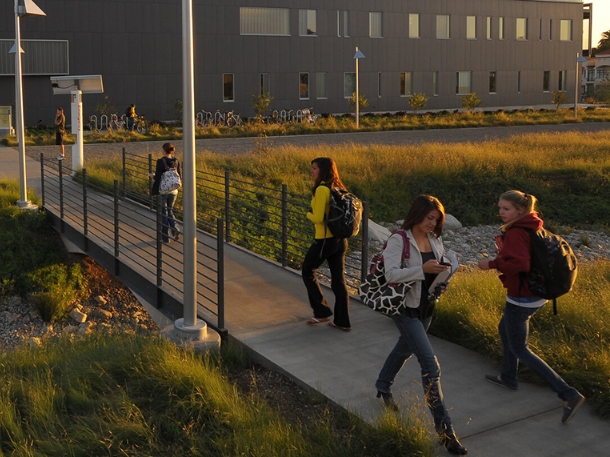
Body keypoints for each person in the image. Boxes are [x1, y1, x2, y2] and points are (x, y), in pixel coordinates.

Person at [478, 190, 585, 424]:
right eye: (500, 207)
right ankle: (508, 377)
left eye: (506, 209)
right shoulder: (533, 226)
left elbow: (519, 264)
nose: (501, 212)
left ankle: (568, 394)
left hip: (521, 297)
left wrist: (491, 263)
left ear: (520, 210)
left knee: (520, 348)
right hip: (536, 295)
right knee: (504, 330)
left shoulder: (517, 232)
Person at [375, 195, 467, 456]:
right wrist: (422, 269)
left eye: (437, 220)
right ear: (417, 215)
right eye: (430, 218)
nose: (433, 224)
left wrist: (443, 277)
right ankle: (446, 433)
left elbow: (435, 269)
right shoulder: (398, 240)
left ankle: (382, 385)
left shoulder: (436, 238)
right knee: (430, 365)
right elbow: (391, 275)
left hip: (427, 305)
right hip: (404, 308)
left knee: (404, 349)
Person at [302, 157, 351, 331]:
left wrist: (307, 214)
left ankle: (321, 311)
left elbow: (318, 218)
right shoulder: (338, 188)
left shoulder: (322, 189)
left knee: (307, 270)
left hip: (324, 241)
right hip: (340, 241)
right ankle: (342, 321)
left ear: (322, 170)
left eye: (314, 168)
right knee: (338, 280)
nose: (311, 171)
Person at [150, 143, 182, 243]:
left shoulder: (160, 161)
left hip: (164, 190)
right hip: (174, 190)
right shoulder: (176, 161)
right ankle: (175, 229)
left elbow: (158, 176)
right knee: (170, 210)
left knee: (164, 213)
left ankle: (165, 237)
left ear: (164, 150)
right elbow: (180, 175)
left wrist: (152, 176)